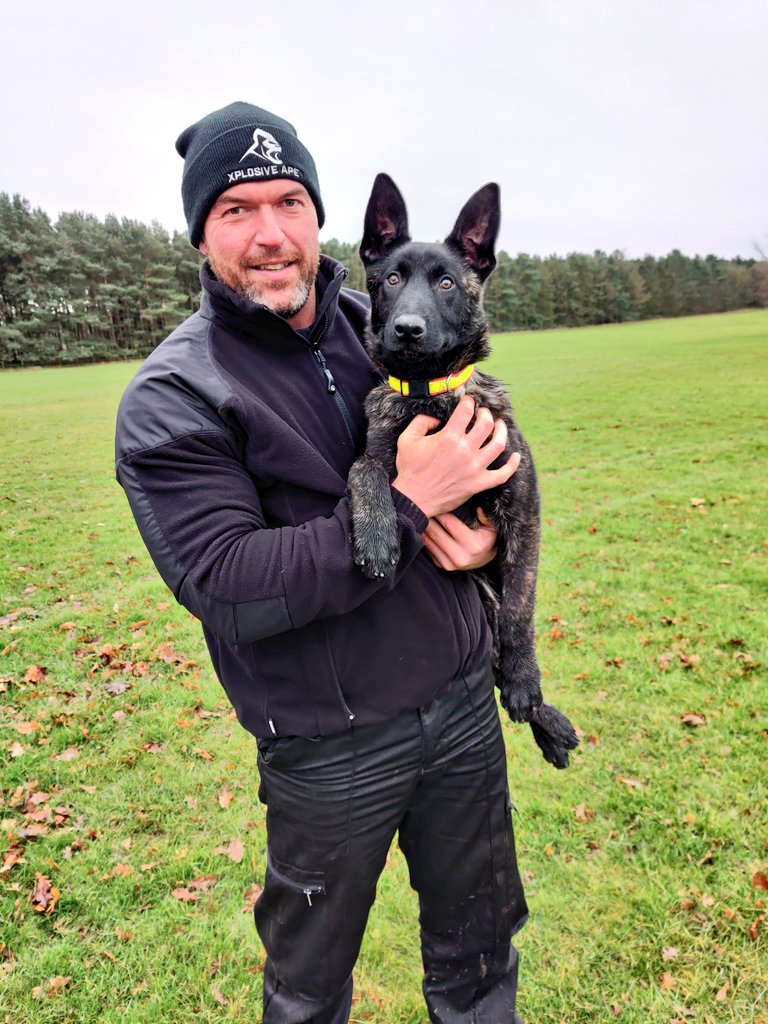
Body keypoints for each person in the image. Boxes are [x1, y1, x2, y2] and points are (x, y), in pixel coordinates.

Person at [115, 101, 529, 1024]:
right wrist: (411, 502)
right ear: (200, 233)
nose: (270, 233)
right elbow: (228, 585)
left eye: (290, 202)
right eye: (236, 209)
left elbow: (482, 462)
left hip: (462, 708)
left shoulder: (379, 319)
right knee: (307, 995)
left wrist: (487, 538)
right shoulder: (175, 396)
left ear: (318, 216)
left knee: (481, 962)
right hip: (329, 747)